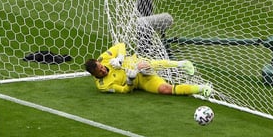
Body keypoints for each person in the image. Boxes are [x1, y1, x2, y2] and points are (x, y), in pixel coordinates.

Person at [84, 42, 212, 96]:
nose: (103, 70)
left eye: (101, 67)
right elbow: (124, 90)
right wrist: (130, 80)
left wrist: (120, 58)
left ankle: (182, 64)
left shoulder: (103, 58)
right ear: (94, 75)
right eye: (100, 72)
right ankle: (201, 88)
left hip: (138, 64)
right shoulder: (103, 86)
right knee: (165, 90)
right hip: (140, 82)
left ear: (98, 62)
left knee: (143, 65)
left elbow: (121, 45)